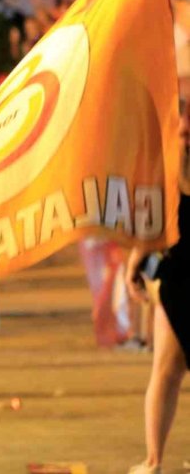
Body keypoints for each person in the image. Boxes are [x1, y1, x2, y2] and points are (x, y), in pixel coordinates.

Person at [126, 88, 190, 474]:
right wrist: (135, 264)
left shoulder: (169, 167)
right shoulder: (165, 167)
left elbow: (156, 225)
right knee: (166, 368)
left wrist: (134, 265)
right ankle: (153, 459)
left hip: (180, 272)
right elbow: (153, 226)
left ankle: (153, 460)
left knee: (166, 369)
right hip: (178, 273)